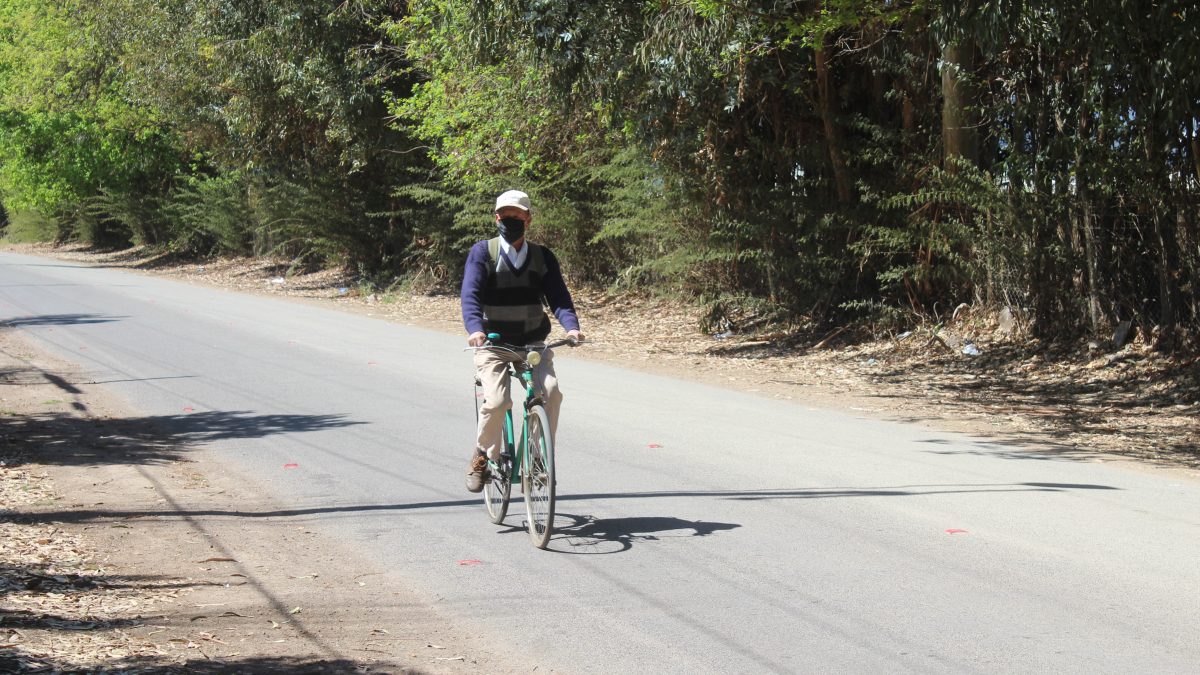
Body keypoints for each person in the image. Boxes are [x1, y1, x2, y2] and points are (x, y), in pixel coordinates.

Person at [460, 190, 585, 492]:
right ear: (496, 218)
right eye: (504, 216)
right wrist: (475, 329)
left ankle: (539, 457)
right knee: (498, 401)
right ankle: (482, 454)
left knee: (552, 392)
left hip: (532, 345)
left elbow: (559, 298)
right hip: (493, 345)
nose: (509, 221)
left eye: (516, 216)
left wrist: (572, 328)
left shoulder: (542, 257)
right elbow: (471, 296)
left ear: (528, 219)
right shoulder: (483, 253)